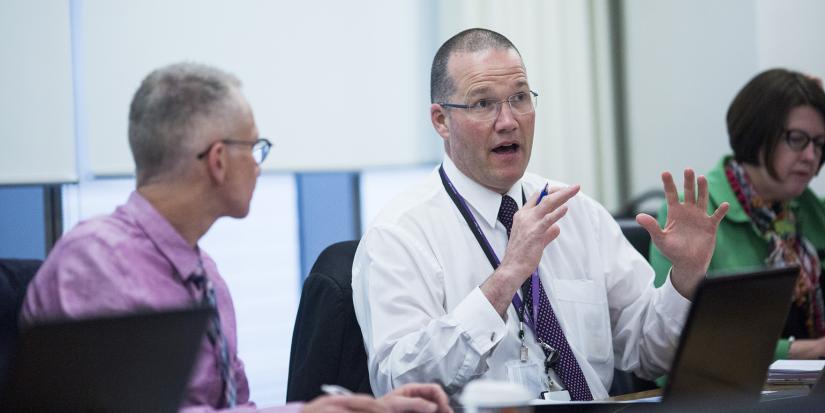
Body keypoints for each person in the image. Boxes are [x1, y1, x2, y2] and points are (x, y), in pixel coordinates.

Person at [20, 63, 452, 413]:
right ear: (220, 161)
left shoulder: (203, 272)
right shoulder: (94, 262)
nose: (260, 166)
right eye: (256, 147)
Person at [351, 28, 728, 401]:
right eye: (483, 103)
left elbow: (650, 353)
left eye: (519, 98)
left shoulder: (576, 213)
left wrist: (686, 277)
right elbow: (397, 382)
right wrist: (506, 277)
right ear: (441, 121)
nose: (508, 121)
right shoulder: (400, 233)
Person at [650, 68, 825, 360]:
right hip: (719, 394)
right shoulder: (691, 211)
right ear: (757, 133)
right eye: (797, 139)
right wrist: (804, 351)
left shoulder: (810, 209)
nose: (810, 156)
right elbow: (674, 338)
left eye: (819, 144)